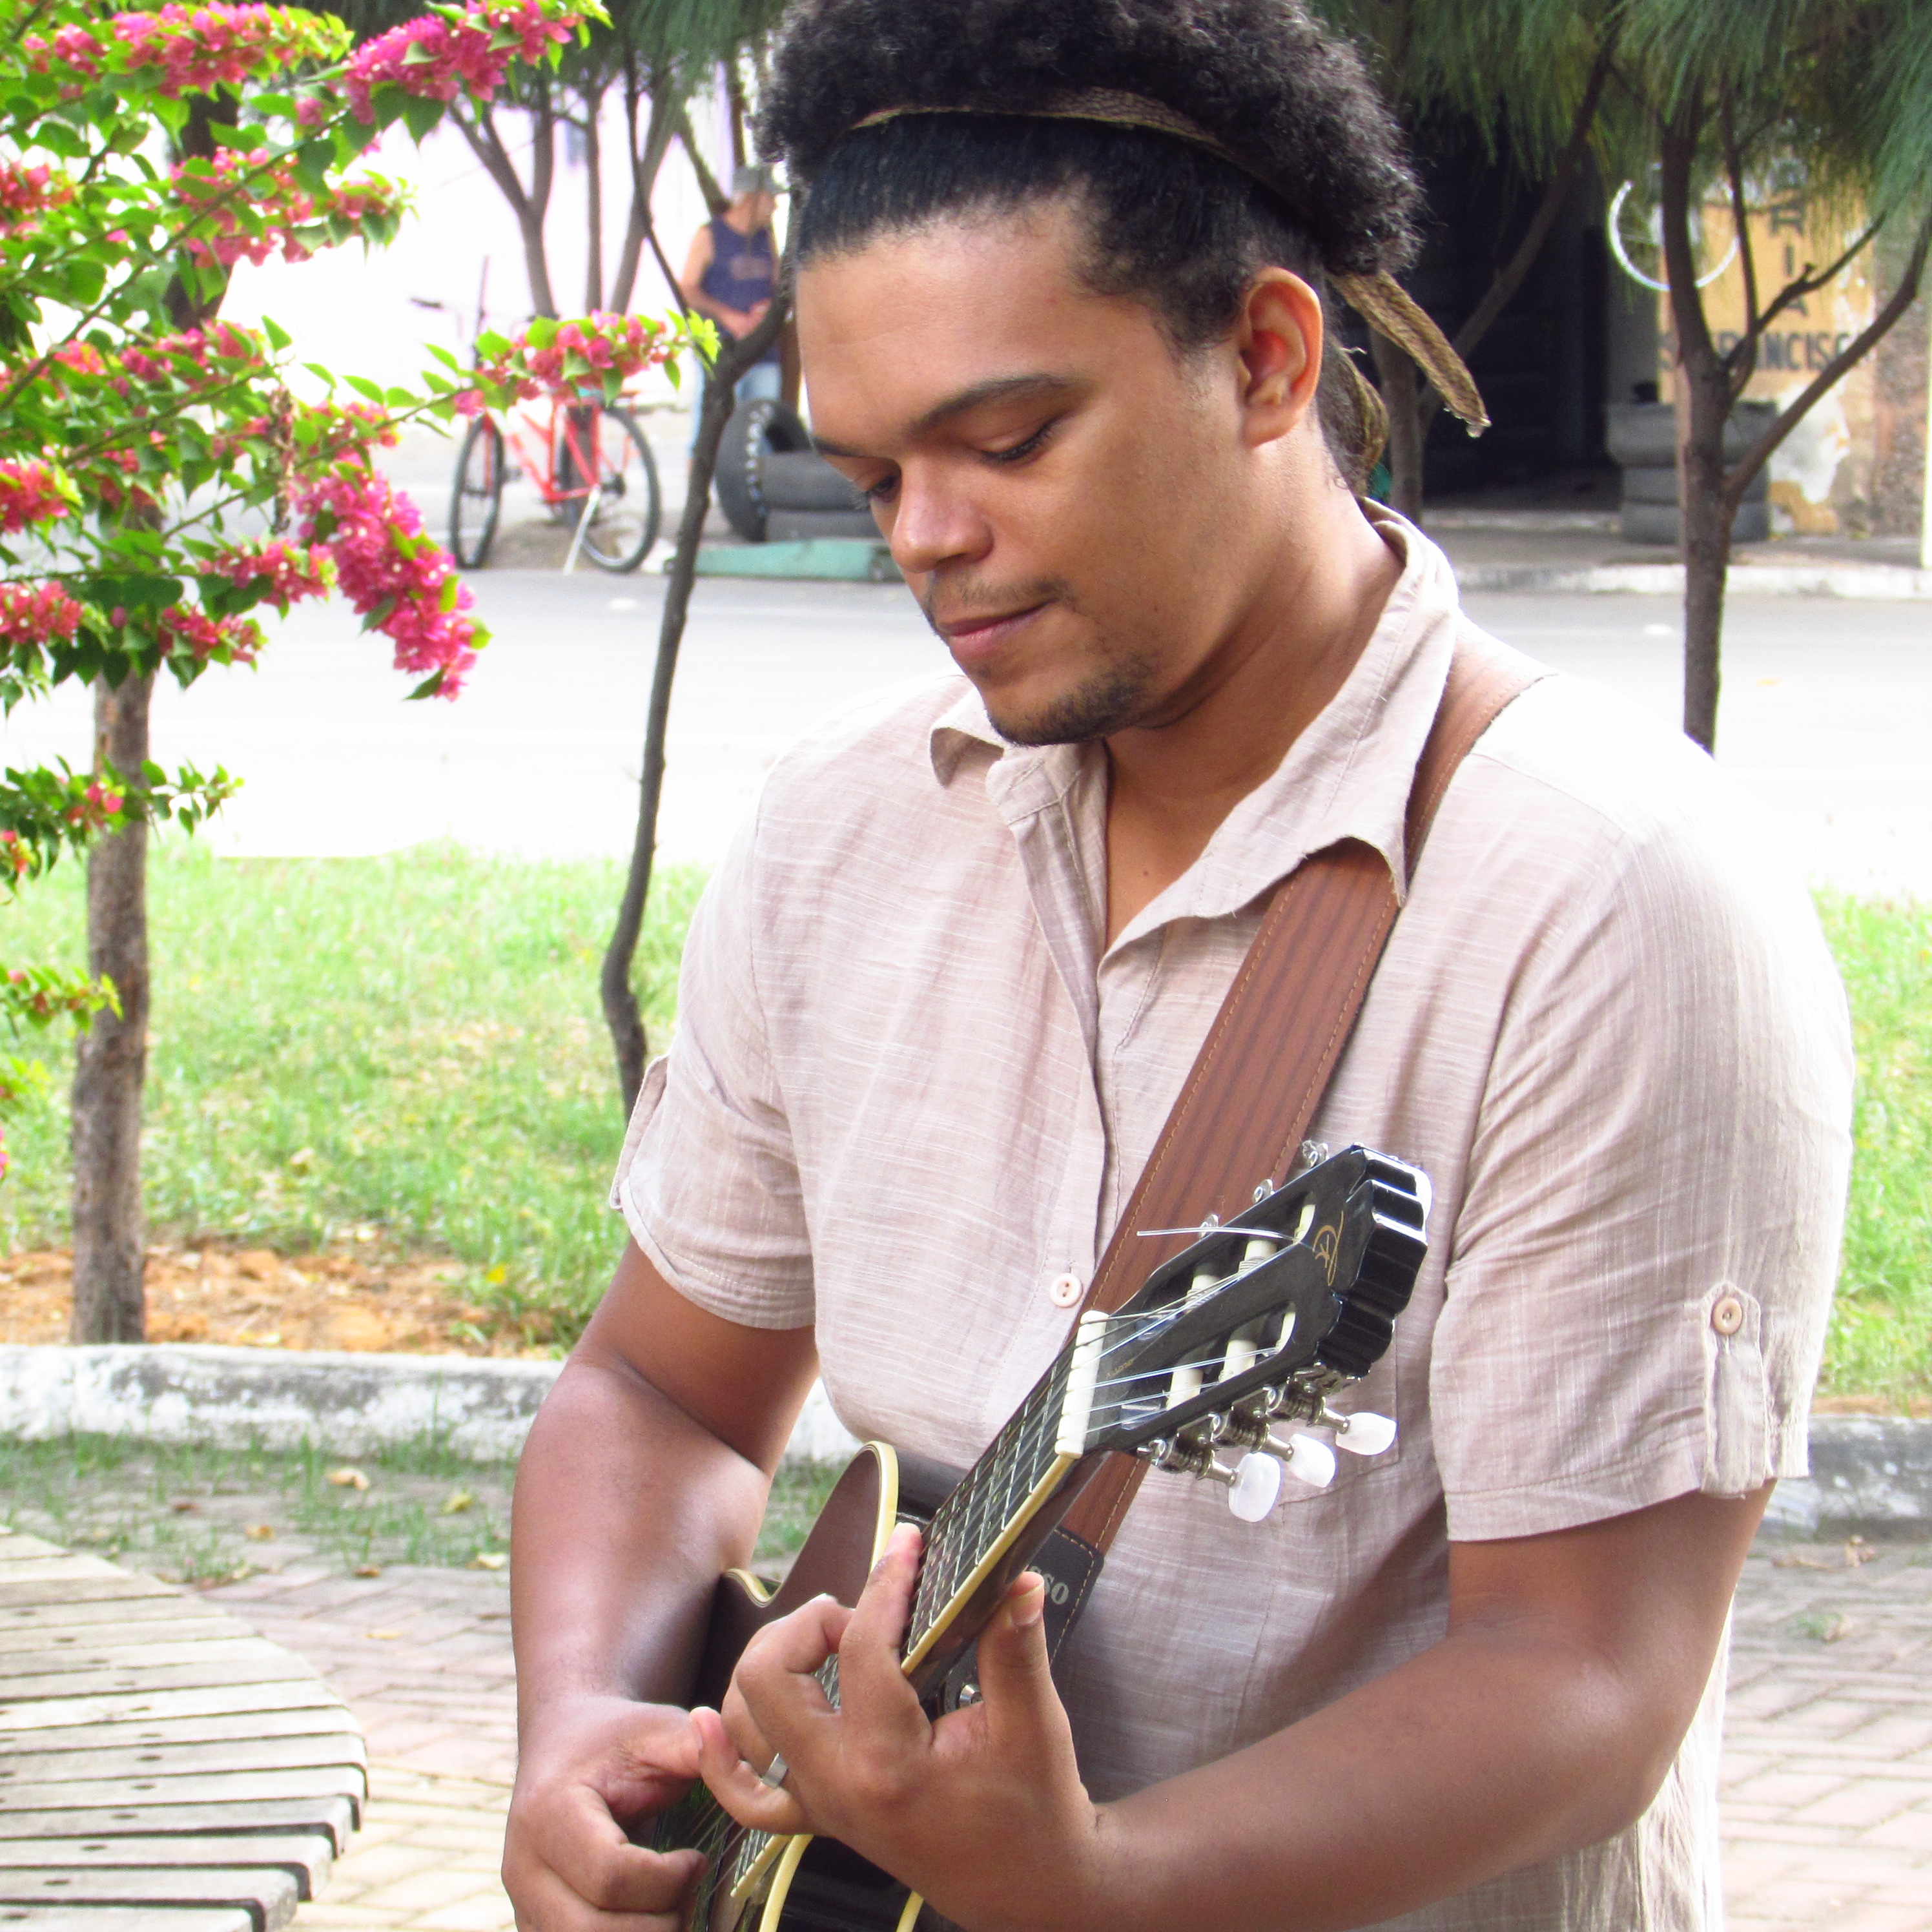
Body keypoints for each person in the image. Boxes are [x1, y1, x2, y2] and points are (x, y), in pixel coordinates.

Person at [503, 3, 1853, 1928]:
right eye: (871, 475)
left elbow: (1582, 1674)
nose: (927, 540)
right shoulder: (839, 828)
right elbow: (661, 1385)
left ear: (1264, 357)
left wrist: (1098, 1880)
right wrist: (578, 1718)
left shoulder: (1608, 895)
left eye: (1008, 441)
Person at [680, 163, 782, 407]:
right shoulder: (709, 235)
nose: (775, 206)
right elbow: (687, 289)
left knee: (762, 423)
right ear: (752, 198)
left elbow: (779, 286)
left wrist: (769, 308)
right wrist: (727, 316)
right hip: (720, 354)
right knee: (718, 420)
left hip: (763, 354)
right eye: (771, 198)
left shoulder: (766, 238)